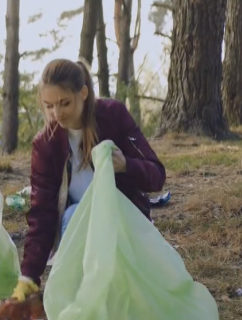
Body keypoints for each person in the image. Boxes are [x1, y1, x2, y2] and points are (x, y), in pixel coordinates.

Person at [10, 59, 165, 302]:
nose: (57, 114)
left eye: (64, 103)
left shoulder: (113, 115)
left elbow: (156, 175)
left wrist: (126, 165)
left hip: (123, 222)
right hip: (80, 232)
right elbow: (42, 211)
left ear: (83, 93)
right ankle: (85, 297)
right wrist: (29, 276)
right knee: (73, 215)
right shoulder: (46, 144)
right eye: (49, 106)